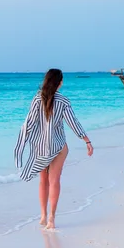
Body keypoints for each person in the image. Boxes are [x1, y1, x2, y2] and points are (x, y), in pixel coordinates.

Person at [14, 69, 93, 230]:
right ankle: (51, 218)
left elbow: (28, 122)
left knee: (43, 181)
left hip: (40, 147)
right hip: (58, 147)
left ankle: (43, 215)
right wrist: (86, 140)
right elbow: (73, 123)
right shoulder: (63, 101)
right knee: (54, 180)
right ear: (60, 83)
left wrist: (21, 144)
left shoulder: (37, 98)